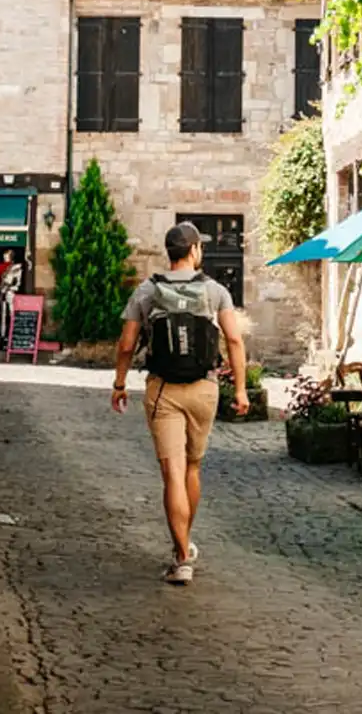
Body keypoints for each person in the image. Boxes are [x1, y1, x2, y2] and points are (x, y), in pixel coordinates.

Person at [111, 222, 247, 586]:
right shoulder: (215, 291)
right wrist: (241, 390)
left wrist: (119, 383)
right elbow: (233, 340)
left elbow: (126, 344)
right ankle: (184, 542)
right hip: (205, 388)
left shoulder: (148, 290)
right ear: (195, 251)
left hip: (164, 390)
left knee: (171, 473)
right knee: (192, 468)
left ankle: (182, 557)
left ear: (169, 252)